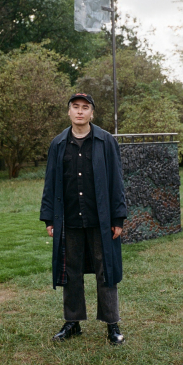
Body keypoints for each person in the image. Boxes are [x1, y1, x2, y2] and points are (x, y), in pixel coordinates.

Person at [40, 92, 127, 345]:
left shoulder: (106, 141)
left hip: (101, 220)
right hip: (69, 221)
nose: (80, 111)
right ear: (69, 112)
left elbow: (117, 182)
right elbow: (50, 184)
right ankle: (72, 322)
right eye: (75, 107)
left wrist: (118, 218)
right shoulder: (57, 144)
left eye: (85, 108)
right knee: (70, 272)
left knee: (106, 272)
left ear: (92, 113)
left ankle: (112, 325)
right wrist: (50, 220)